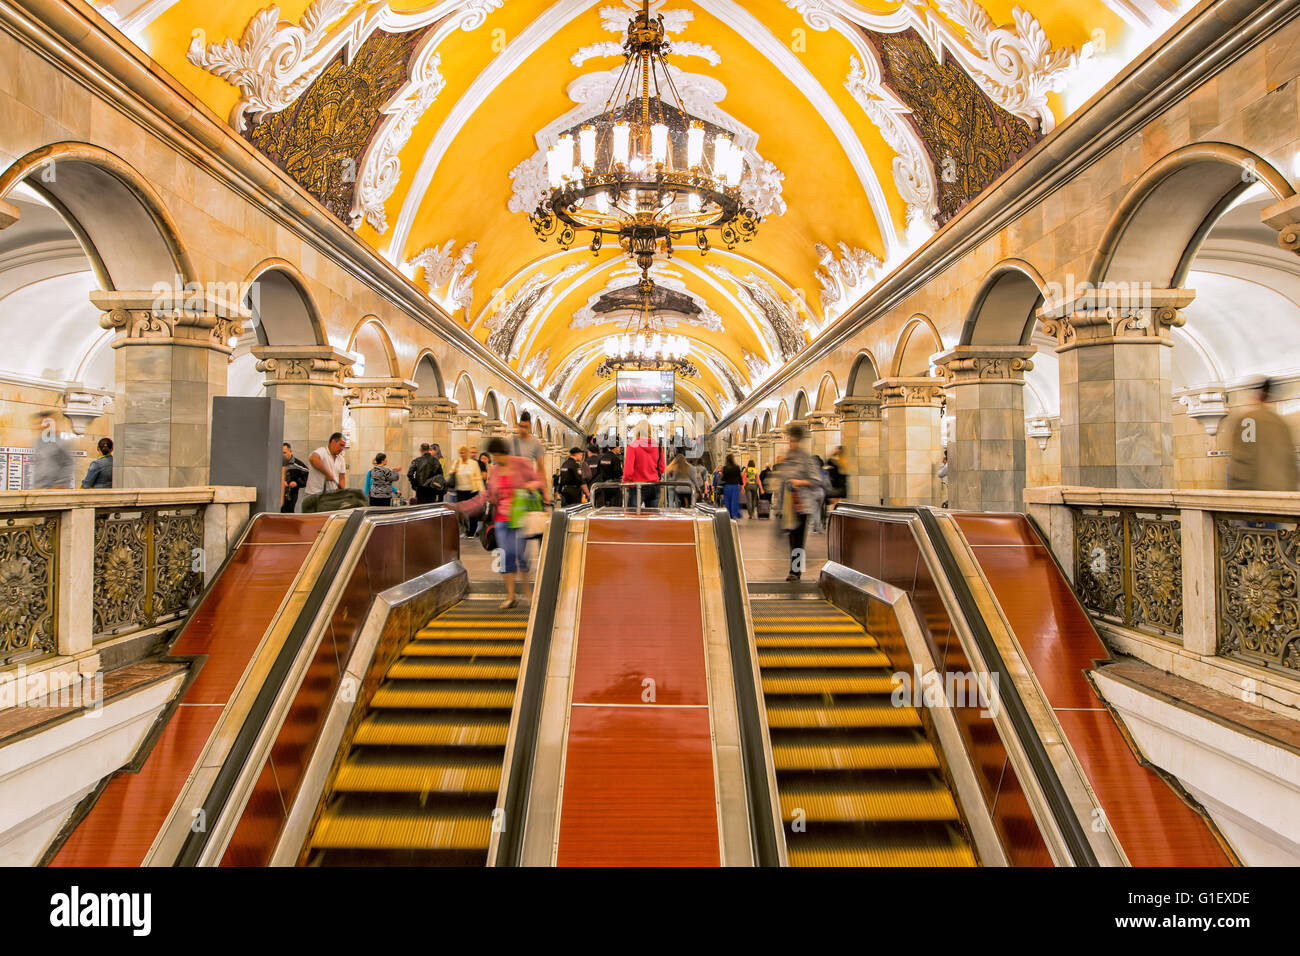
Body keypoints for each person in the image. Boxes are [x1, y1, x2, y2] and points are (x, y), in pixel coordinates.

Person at [487, 436, 544, 610]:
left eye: (496, 455)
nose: (494, 459)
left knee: (521, 555)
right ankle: (511, 596)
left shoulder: (521, 463)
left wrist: (528, 486)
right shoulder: (494, 470)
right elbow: (491, 493)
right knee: (505, 556)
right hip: (501, 520)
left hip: (519, 517)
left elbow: (538, 481)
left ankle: (528, 594)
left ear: (502, 452)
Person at [1225, 376, 1300, 491]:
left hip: (1258, 493)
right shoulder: (1282, 424)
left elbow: (1242, 460)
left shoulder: (1249, 421)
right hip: (1284, 491)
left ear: (1258, 394)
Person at [772, 424, 824, 582]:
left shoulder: (806, 459)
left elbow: (816, 480)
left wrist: (799, 482)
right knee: (792, 539)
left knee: (798, 539)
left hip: (802, 505)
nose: (791, 444)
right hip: (788, 506)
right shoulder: (788, 458)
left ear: (799, 441)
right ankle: (794, 569)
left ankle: (796, 571)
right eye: (790, 441)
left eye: (793, 441)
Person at [622, 422, 664, 507]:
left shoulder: (632, 446)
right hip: (654, 485)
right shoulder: (658, 446)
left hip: (637, 486)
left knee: (633, 517)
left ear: (637, 431)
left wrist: (626, 483)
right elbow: (662, 468)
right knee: (652, 517)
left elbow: (628, 471)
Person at [512, 412, 550, 506]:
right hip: (512, 488)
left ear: (530, 426)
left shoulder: (535, 443)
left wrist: (545, 492)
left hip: (528, 487)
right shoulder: (510, 441)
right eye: (521, 426)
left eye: (526, 427)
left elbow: (540, 468)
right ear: (517, 425)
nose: (523, 430)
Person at [31, 410, 73, 489]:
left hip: (54, 490)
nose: (43, 426)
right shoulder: (39, 442)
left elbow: (68, 464)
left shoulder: (60, 443)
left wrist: (60, 484)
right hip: (40, 488)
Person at [452, 445, 486, 537]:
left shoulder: (473, 464)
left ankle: (471, 532)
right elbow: (451, 474)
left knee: (472, 513)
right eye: (460, 453)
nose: (462, 454)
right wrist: (453, 472)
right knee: (460, 512)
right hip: (460, 491)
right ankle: (464, 529)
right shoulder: (457, 463)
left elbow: (479, 477)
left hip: (472, 491)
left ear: (466, 453)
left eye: (463, 452)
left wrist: (482, 490)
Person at [280, 443, 308, 512]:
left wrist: (296, 483)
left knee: (289, 512)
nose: (282, 455)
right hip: (278, 493)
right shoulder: (276, 463)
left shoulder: (298, 465)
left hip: (291, 494)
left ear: (290, 451)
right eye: (281, 453)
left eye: (284, 453)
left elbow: (307, 478)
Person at [825, 446, 848, 514]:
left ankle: (832, 522)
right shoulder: (842, 463)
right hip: (840, 488)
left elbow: (828, 460)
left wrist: (833, 452)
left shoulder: (836, 463)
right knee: (837, 507)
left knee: (835, 508)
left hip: (836, 488)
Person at [721, 454, 744, 519]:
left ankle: (728, 514)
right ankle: (734, 514)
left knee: (727, 501)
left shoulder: (725, 468)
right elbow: (739, 478)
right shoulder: (737, 467)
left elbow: (723, 478)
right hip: (735, 486)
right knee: (734, 500)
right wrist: (742, 487)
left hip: (727, 486)